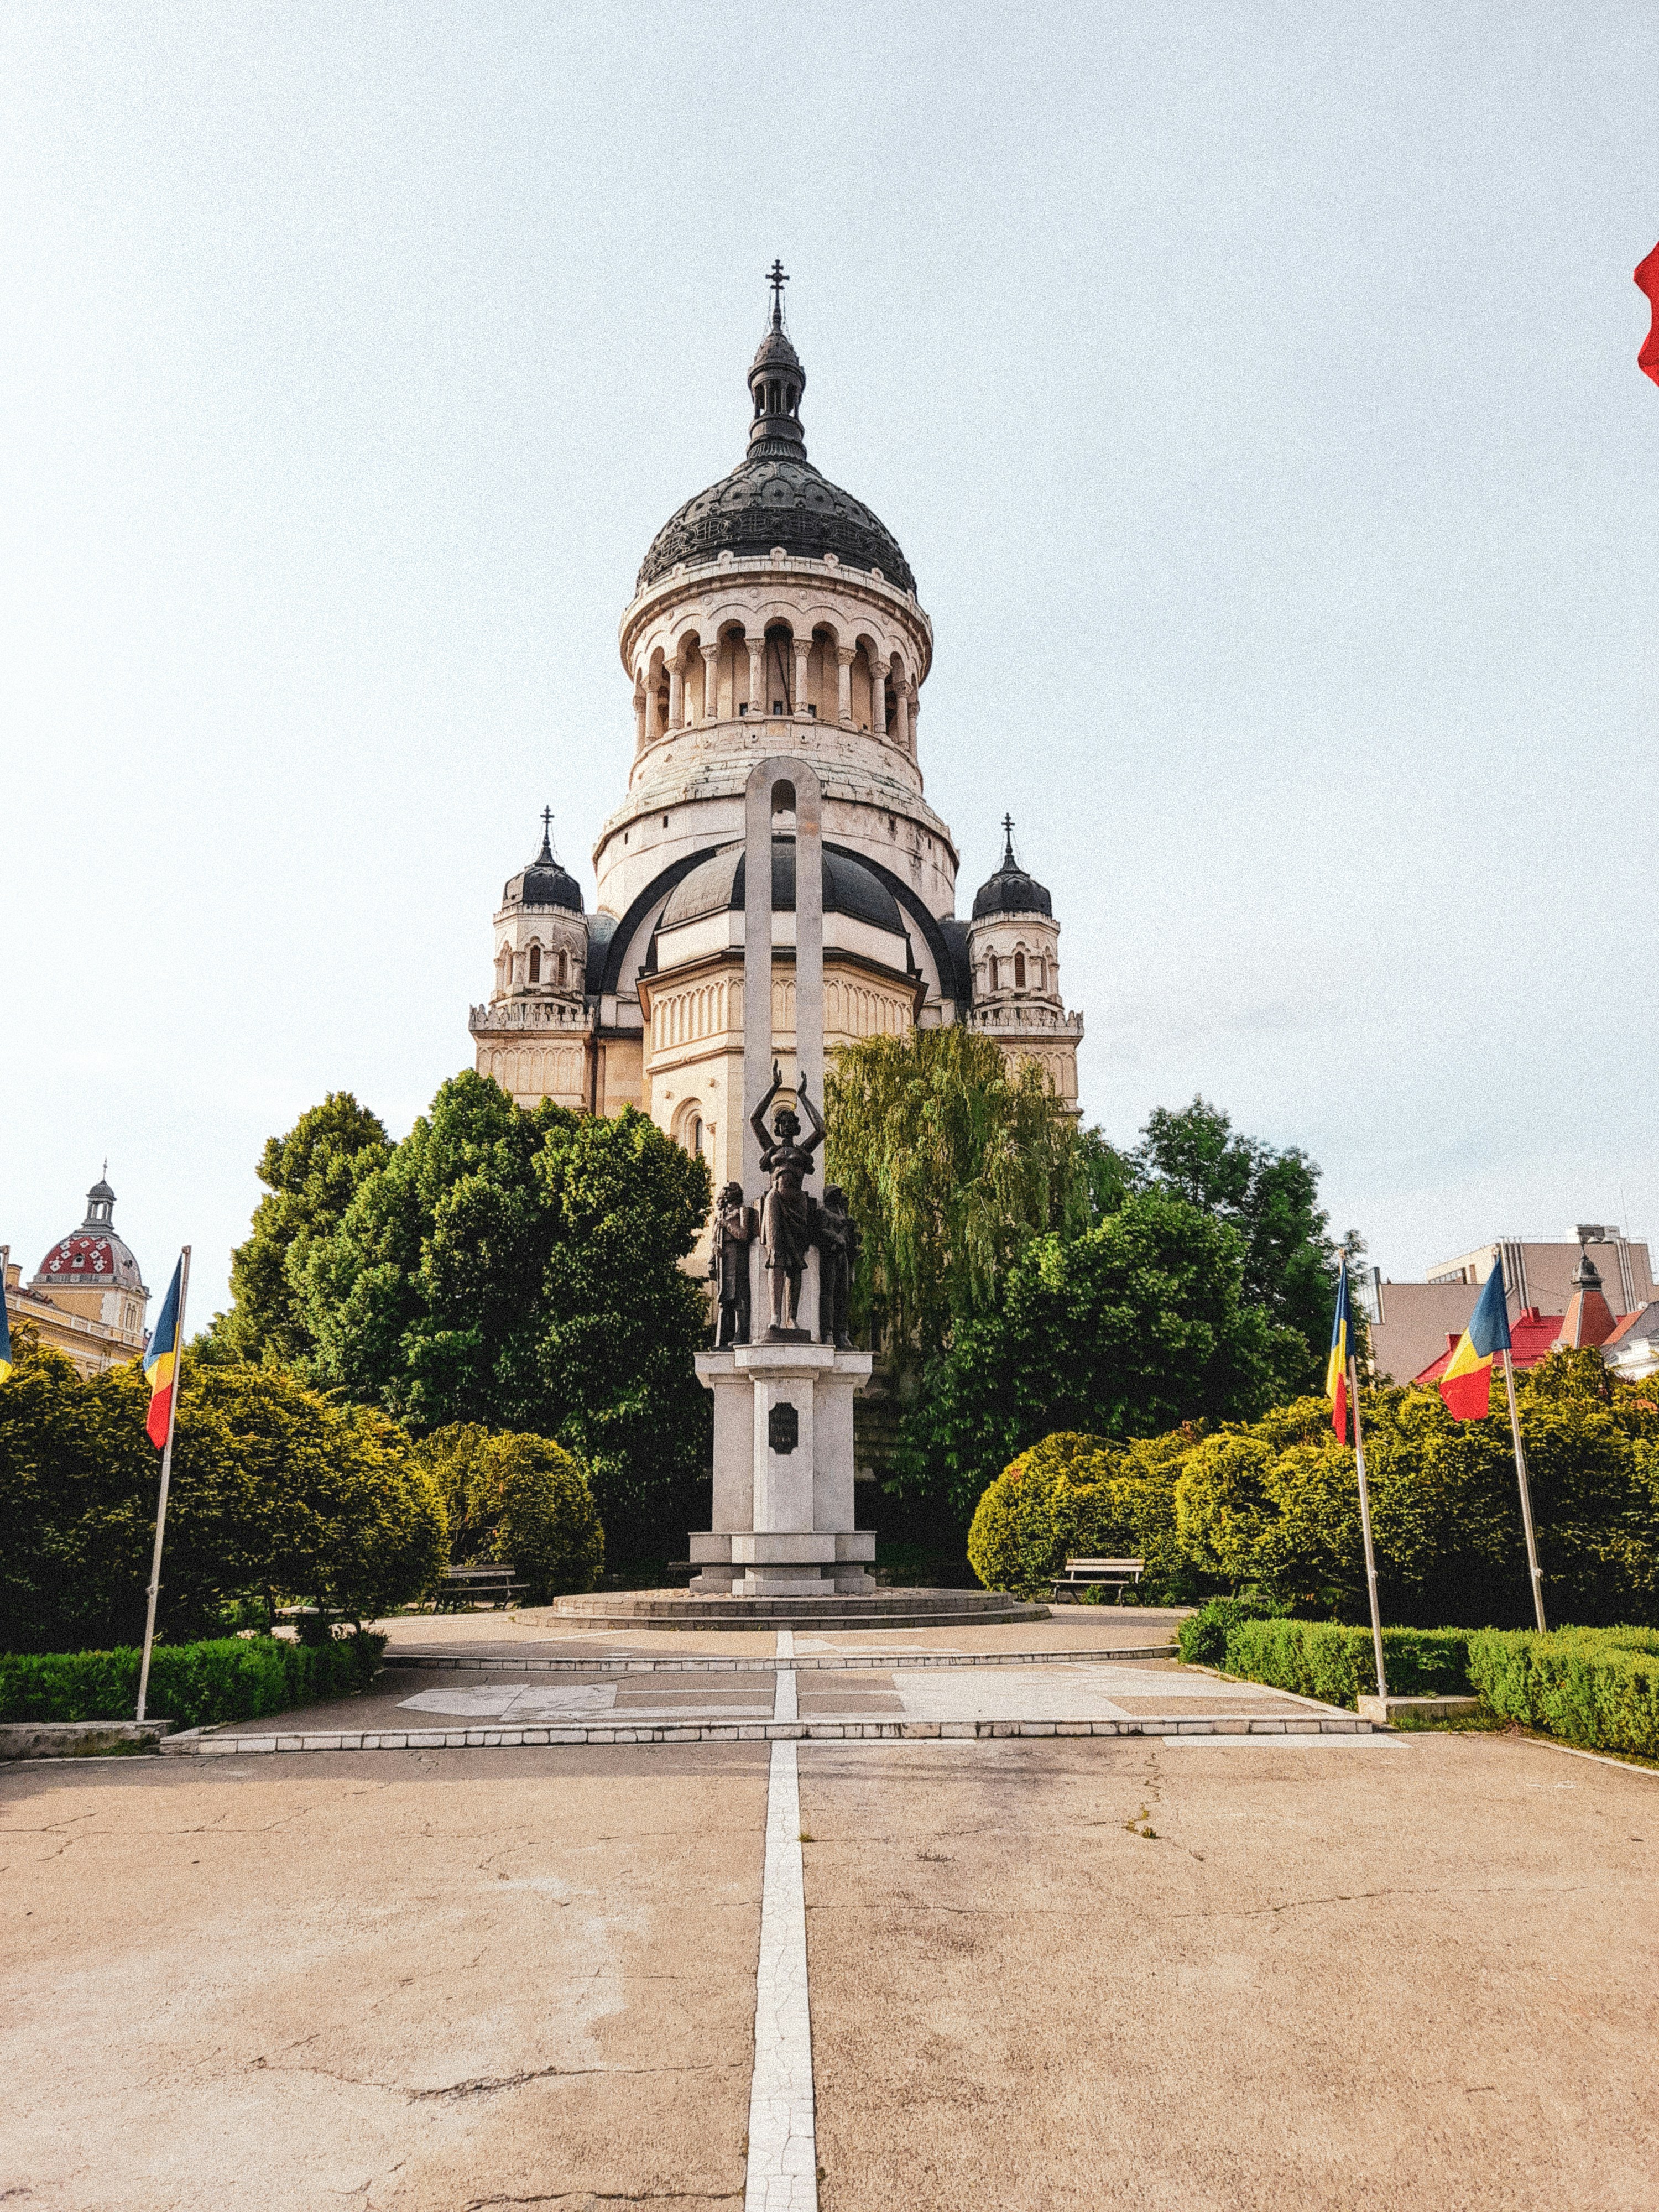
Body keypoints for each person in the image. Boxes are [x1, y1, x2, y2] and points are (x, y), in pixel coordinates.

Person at [749, 1061, 825, 1336]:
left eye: (792, 1121)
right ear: (779, 1129)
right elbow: (754, 1120)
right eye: (783, 1122)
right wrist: (774, 1086)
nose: (788, 1125)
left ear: (796, 1127)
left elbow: (822, 1129)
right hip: (776, 1204)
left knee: (796, 1263)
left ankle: (792, 1319)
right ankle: (774, 1316)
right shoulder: (771, 1152)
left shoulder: (803, 1153)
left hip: (799, 1207)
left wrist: (803, 1096)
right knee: (776, 1259)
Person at [708, 1182, 756, 1347]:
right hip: (723, 1259)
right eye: (726, 1191)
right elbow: (713, 1240)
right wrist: (713, 1252)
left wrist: (727, 1225)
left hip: (737, 1256)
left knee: (739, 1297)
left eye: (730, 1191)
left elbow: (743, 1234)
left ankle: (740, 1334)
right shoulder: (720, 1215)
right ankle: (722, 1337)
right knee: (724, 1299)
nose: (727, 1194)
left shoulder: (742, 1211)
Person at [816, 1184, 859, 1349]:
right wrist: (837, 1237)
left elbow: (850, 1239)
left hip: (842, 1256)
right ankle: (828, 1333)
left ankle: (842, 1333)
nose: (839, 1198)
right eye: (836, 1194)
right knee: (829, 1293)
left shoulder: (843, 1215)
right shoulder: (824, 1212)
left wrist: (846, 1234)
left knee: (843, 1294)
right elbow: (821, 1230)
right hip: (829, 1255)